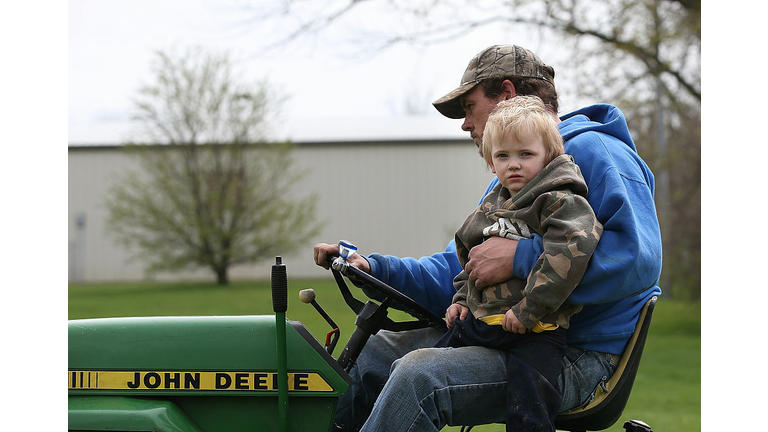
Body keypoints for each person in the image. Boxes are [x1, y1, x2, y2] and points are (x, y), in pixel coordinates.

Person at [314, 44, 662, 432]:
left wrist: (519, 258)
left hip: (569, 350)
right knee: (373, 354)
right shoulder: (512, 180)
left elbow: (640, 259)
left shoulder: (594, 151)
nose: (465, 124)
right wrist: (375, 268)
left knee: (420, 376)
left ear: (507, 95)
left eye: (469, 107)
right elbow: (461, 266)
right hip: (499, 327)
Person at [436, 95, 604, 431]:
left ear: (548, 156)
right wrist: (460, 301)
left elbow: (571, 253)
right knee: (423, 367)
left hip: (536, 329)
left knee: (530, 403)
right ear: (490, 161)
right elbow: (470, 255)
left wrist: (528, 310)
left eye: (525, 154)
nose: (514, 164)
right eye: (503, 156)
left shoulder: (559, 200)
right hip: (484, 322)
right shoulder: (491, 207)